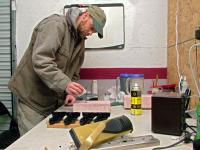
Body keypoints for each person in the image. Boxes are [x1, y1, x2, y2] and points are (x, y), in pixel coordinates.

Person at [8, 5, 106, 136]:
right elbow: (41, 61)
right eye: (92, 28)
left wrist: (70, 93)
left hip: (51, 102)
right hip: (32, 100)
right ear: (85, 16)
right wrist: (65, 84)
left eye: (94, 32)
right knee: (32, 143)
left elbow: (74, 72)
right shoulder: (55, 25)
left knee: (48, 141)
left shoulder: (79, 40)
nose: (90, 33)